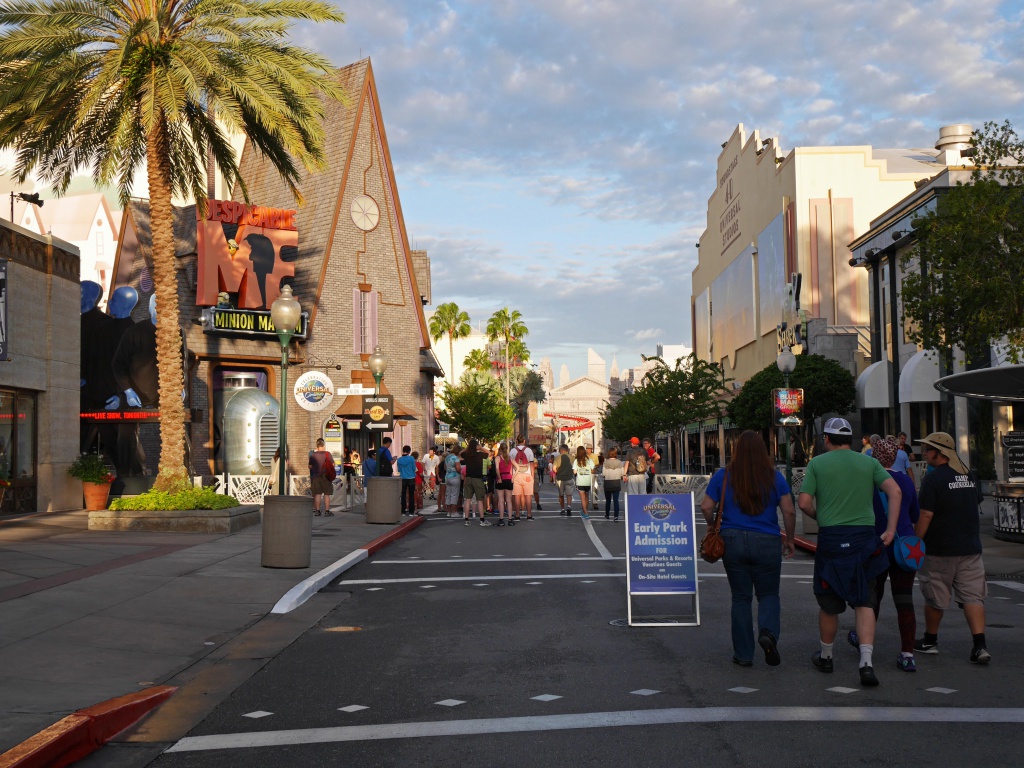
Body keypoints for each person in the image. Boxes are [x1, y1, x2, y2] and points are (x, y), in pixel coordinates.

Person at [798, 417, 901, 687]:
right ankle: (866, 662)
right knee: (865, 600)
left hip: (832, 538)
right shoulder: (869, 462)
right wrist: (890, 529)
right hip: (864, 539)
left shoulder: (817, 464)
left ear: (826, 439)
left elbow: (804, 502)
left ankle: (827, 656)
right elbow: (895, 491)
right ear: (851, 440)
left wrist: (821, 516)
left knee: (829, 602)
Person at [701, 430, 796, 668]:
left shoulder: (723, 475)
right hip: (767, 539)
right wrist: (791, 539)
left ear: (736, 450)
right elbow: (789, 511)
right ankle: (768, 633)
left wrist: (712, 525)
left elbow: (705, 506)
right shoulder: (774, 477)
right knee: (768, 594)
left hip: (732, 539)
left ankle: (743, 654)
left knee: (741, 597)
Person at [913, 432, 990, 664]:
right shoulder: (968, 474)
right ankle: (980, 646)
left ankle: (930, 641)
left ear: (940, 452)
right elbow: (975, 502)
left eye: (928, 449)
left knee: (935, 597)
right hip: (970, 547)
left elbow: (926, 514)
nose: (924, 453)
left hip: (939, 549)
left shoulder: (933, 479)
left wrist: (916, 541)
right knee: (973, 597)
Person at [848, 437, 920, 672]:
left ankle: (865, 642)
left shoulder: (868, 482)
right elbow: (914, 514)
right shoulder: (906, 482)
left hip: (875, 545)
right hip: (903, 547)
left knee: (871, 598)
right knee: (904, 600)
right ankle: (907, 653)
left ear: (874, 456)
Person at [509, 435, 536, 521]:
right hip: (527, 474)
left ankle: (517, 515)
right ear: (524, 441)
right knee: (528, 496)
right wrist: (532, 476)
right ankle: (529, 515)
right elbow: (532, 464)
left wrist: (511, 475)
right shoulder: (529, 451)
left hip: (516, 475)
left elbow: (510, 465)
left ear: (516, 441)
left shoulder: (512, 451)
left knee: (517, 496)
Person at [308, 438, 336, 517]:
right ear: (323, 446)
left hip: (316, 477)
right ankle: (327, 511)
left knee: (317, 494)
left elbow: (309, 466)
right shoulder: (327, 454)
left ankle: (317, 511)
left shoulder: (313, 455)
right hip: (326, 476)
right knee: (327, 494)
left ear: (317, 446)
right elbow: (333, 464)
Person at [494, 441, 515, 527]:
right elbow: (517, 467)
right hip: (509, 478)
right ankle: (510, 519)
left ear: (500, 450)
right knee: (509, 501)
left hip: (501, 478)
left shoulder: (498, 458)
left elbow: (497, 469)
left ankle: (501, 519)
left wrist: (499, 478)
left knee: (501, 500)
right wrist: (513, 476)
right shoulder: (510, 458)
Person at [572, 446, 595, 519]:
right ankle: (585, 510)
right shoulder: (589, 460)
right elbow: (593, 469)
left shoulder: (576, 461)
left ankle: (585, 512)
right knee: (586, 497)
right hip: (587, 481)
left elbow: (574, 472)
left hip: (580, 481)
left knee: (582, 498)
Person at [602, 448, 624, 521]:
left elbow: (603, 473)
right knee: (616, 500)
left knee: (608, 500)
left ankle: (607, 514)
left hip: (608, 482)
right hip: (616, 482)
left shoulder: (606, 462)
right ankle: (616, 516)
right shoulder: (619, 462)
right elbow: (622, 473)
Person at [553, 443, 575, 516]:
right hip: (569, 477)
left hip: (560, 478)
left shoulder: (558, 458)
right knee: (569, 494)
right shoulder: (572, 458)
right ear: (567, 450)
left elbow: (554, 469)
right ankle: (569, 507)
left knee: (561, 495)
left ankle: (562, 509)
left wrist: (558, 472)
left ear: (561, 450)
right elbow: (574, 468)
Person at [397, 445, 417, 516]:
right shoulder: (411, 458)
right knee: (411, 495)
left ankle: (403, 511)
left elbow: (399, 470)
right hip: (411, 477)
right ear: (409, 451)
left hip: (403, 478)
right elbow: (414, 468)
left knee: (403, 495)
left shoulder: (399, 460)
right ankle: (411, 511)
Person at [443, 447, 462, 517]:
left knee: (448, 494)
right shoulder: (456, 458)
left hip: (447, 477)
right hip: (455, 477)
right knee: (454, 494)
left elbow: (445, 468)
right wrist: (461, 468)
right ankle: (454, 512)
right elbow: (458, 468)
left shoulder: (447, 457)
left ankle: (449, 512)